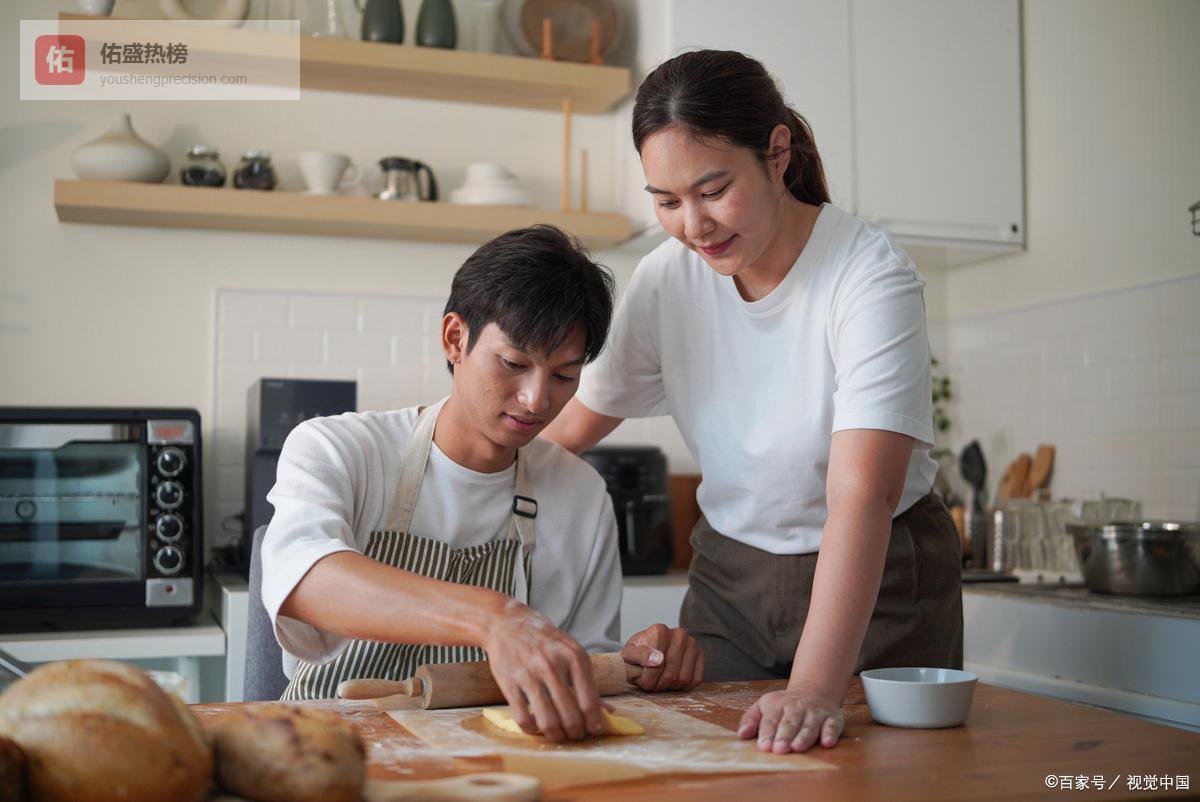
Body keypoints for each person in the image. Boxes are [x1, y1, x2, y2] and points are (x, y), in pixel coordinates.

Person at [541, 51, 963, 753]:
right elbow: (566, 428)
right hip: (728, 587)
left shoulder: (867, 275)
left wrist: (815, 688)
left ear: (776, 152)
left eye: (713, 190)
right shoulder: (666, 280)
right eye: (667, 201)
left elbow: (861, 496)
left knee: (881, 777)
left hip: (879, 582)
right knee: (712, 761)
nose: (693, 225)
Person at [261, 225, 704, 741]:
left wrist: (636, 662)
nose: (537, 400)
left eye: (564, 375)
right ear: (455, 338)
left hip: (494, 755)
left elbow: (583, 664)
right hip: (328, 750)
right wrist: (495, 618)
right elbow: (306, 581)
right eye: (514, 364)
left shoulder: (580, 493)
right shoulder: (339, 449)